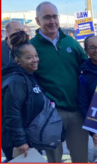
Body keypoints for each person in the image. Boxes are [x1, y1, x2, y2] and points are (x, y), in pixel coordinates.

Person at [30, 1, 88, 163]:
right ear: (37, 21)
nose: (52, 21)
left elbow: (88, 68)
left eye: (55, 16)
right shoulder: (32, 47)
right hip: (50, 113)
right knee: (54, 159)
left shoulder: (71, 42)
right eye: (46, 17)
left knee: (81, 157)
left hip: (77, 111)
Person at [1, 31, 43, 162]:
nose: (35, 60)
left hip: (30, 138)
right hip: (19, 143)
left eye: (36, 56)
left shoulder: (29, 76)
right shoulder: (16, 80)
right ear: (18, 60)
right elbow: (12, 113)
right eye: (29, 57)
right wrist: (21, 142)